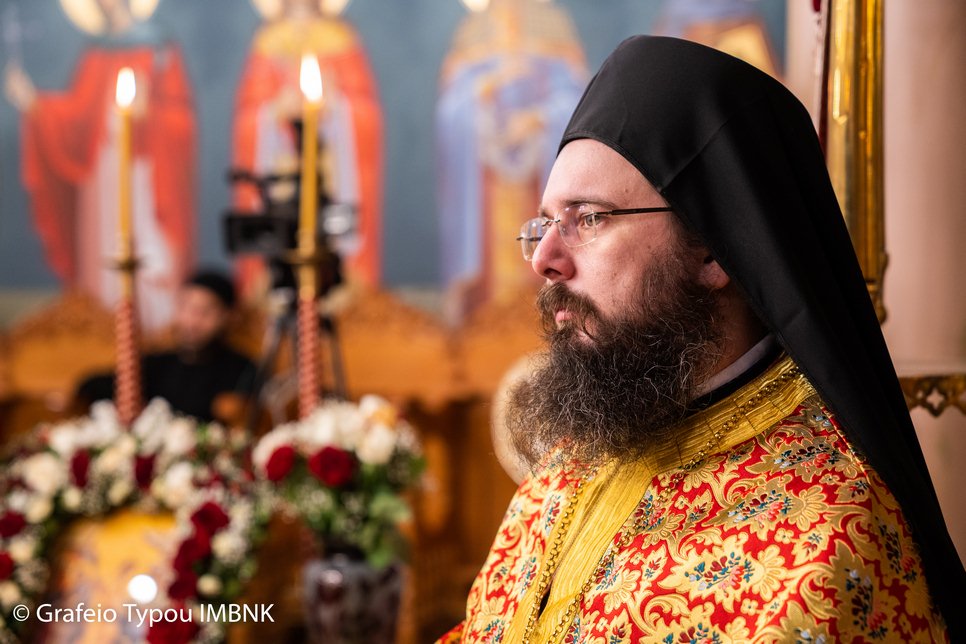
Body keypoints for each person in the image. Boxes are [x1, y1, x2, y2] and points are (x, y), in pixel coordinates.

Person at [439, 37, 964, 642]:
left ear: (713, 248)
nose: (545, 260)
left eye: (588, 218)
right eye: (545, 224)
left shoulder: (824, 542)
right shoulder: (577, 458)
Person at [4, 0, 196, 330]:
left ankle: (157, 326)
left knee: (147, 244)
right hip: (104, 171)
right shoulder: (96, 51)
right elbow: (79, 117)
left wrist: (149, 114)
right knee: (105, 247)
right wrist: (35, 103)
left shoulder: (160, 47)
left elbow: (181, 119)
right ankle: (108, 328)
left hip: (143, 171)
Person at [76, 271, 255, 423]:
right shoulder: (156, 364)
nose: (191, 321)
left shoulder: (244, 370)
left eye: (205, 312)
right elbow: (100, 385)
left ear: (228, 316)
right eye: (185, 307)